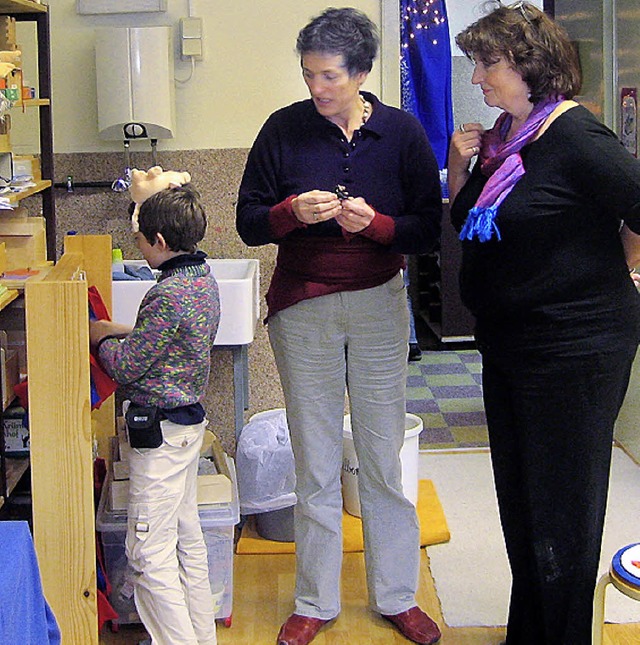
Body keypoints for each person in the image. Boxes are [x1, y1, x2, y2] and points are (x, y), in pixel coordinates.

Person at [236, 7, 442, 645]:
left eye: (328, 75)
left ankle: (397, 595)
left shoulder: (403, 134)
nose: (316, 88)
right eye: (308, 75)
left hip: (380, 303)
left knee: (382, 459)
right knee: (316, 462)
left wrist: (377, 227)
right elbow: (248, 222)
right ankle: (315, 601)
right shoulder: (283, 130)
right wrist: (291, 212)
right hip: (303, 309)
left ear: (361, 72)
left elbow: (427, 232)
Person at [448, 3, 640, 644]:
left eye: (486, 62)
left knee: (561, 514)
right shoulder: (508, 138)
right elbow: (464, 223)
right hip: (511, 345)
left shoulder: (576, 137)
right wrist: (460, 165)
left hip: (574, 349)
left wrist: (624, 262)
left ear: (530, 65)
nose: (477, 77)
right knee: (523, 505)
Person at [90, 184, 220, 645]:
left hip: (160, 438)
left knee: (146, 552)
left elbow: (127, 364)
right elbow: (169, 337)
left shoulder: (165, 295)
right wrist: (119, 329)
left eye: (141, 240)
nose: (139, 246)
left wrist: (99, 338)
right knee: (187, 541)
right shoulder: (200, 279)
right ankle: (201, 637)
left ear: (160, 242)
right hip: (187, 428)